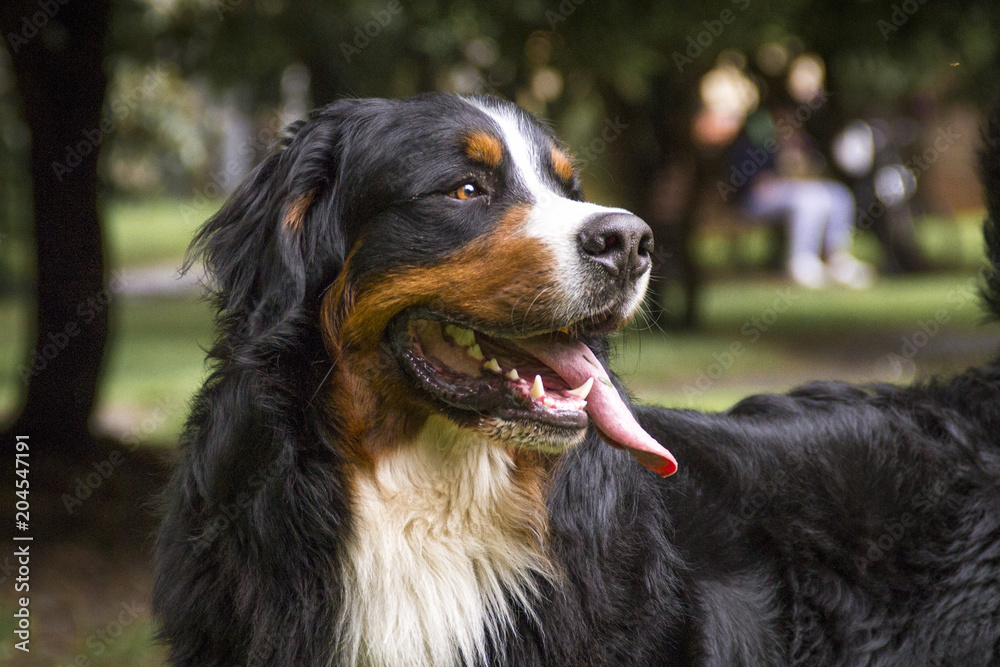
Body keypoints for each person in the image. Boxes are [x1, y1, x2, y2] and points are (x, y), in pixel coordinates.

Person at [730, 107, 875, 289]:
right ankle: (802, 262)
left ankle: (837, 258)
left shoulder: (797, 144)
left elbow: (810, 175)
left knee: (838, 193)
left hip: (794, 192)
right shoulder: (753, 144)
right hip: (755, 201)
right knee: (807, 200)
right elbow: (758, 186)